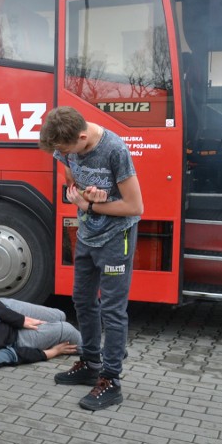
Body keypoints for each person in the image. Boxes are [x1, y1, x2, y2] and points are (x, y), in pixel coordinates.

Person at [38, 106, 143, 411]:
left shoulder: (115, 151)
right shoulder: (67, 148)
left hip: (115, 239)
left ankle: (111, 381)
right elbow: (69, 176)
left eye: (64, 149)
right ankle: (90, 363)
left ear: (82, 137)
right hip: (86, 235)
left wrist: (93, 206)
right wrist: (79, 191)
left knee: (112, 309)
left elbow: (135, 206)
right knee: (82, 300)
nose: (61, 154)